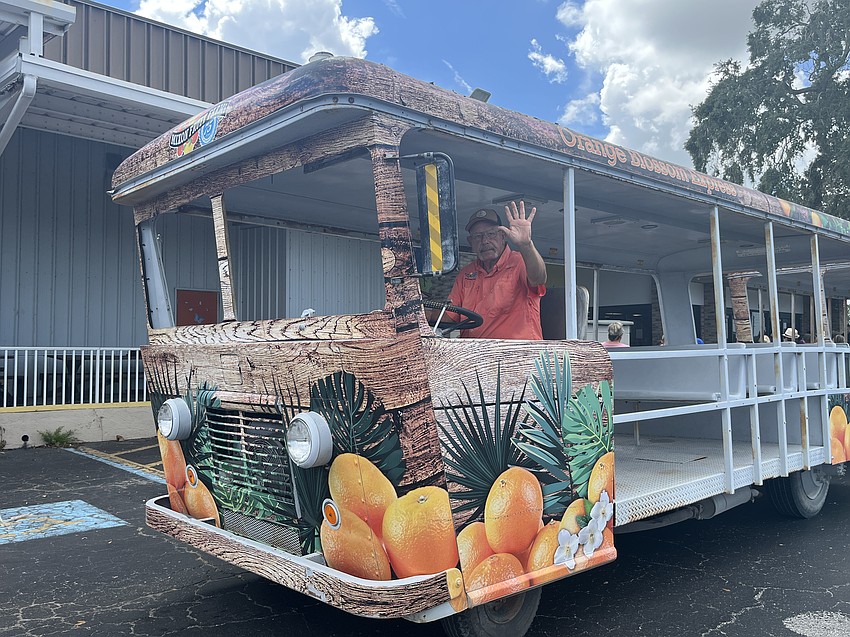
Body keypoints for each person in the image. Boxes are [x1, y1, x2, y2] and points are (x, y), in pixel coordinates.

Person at [440, 201, 547, 339]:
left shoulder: (520, 262)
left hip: (518, 355)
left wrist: (526, 245)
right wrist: (416, 311)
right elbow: (449, 316)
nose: (485, 241)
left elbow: (539, 278)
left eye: (491, 234)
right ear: (470, 242)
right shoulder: (466, 273)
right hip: (473, 355)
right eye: (478, 236)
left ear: (503, 236)